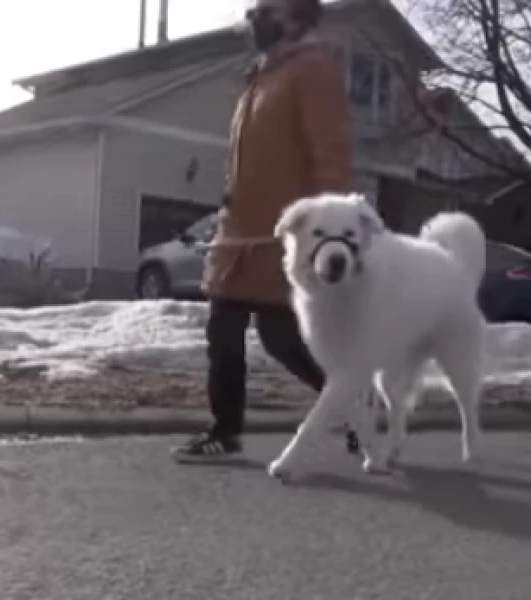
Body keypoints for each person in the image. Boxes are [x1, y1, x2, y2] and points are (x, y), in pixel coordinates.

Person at [172, 0, 355, 460]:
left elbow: (330, 156)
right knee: (223, 330)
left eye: (266, 11)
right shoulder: (261, 77)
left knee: (281, 339)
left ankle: (356, 403)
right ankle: (225, 432)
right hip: (239, 235)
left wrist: (326, 233)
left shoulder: (314, 71)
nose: (255, 19)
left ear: (294, 16)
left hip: (284, 237)